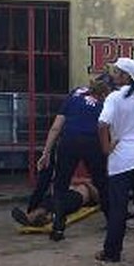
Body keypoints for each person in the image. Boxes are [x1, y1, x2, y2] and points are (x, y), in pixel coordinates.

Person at [96, 58, 134, 262]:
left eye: (116, 72)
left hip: (121, 160)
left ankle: (112, 252)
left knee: (118, 209)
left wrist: (106, 148)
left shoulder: (114, 98)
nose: (113, 75)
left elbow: (102, 124)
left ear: (125, 76)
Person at [39, 75, 112, 242]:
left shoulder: (74, 96)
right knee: (102, 183)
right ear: (105, 91)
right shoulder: (105, 103)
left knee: (60, 185)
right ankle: (112, 221)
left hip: (69, 141)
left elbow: (56, 127)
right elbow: (108, 129)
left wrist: (46, 152)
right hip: (93, 142)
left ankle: (58, 227)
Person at [12, 180, 100, 227]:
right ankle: (33, 216)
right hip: (69, 191)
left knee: (61, 202)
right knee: (50, 198)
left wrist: (86, 183)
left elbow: (97, 197)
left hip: (79, 197)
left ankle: (45, 218)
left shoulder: (98, 181)